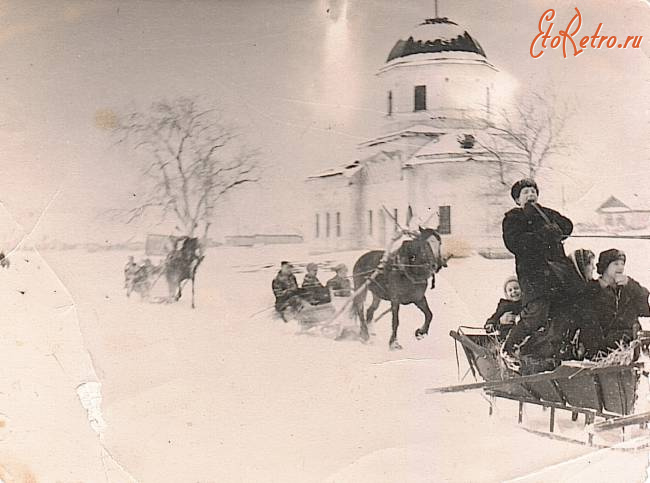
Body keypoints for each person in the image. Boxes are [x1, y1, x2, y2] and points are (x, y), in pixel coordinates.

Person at [500, 179, 574, 372]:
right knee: (536, 313)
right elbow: (514, 243)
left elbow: (568, 226)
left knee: (562, 313)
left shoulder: (546, 213)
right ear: (517, 199)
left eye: (533, 191)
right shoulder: (514, 217)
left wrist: (557, 228)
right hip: (533, 275)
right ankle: (509, 348)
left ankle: (549, 352)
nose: (530, 194)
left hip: (558, 273)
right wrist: (543, 234)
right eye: (525, 192)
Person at [580, 249, 650, 358]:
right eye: (616, 264)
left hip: (630, 349)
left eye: (622, 264)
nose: (621, 267)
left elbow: (645, 310)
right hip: (603, 352)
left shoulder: (628, 288)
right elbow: (588, 325)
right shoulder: (592, 290)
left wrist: (632, 285)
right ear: (605, 266)